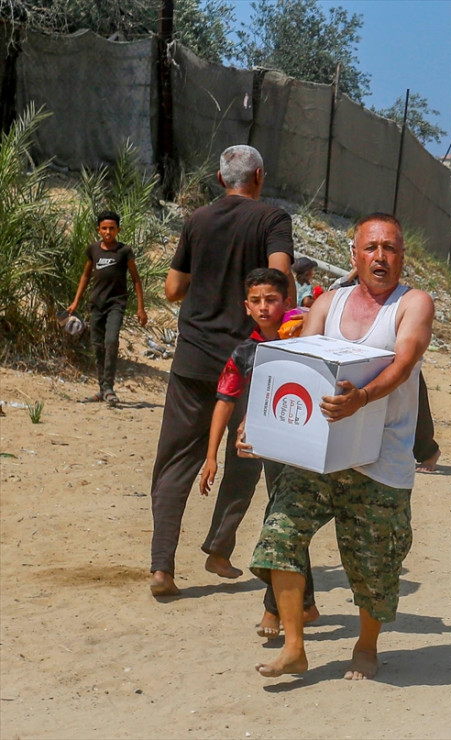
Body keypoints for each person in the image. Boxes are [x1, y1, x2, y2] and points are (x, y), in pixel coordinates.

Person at [248, 212, 434, 681]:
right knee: (280, 536)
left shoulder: (413, 304)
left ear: (401, 257)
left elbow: (405, 361)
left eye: (389, 248)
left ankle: (366, 645)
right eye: (370, 248)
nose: (379, 256)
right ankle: (294, 646)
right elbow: (297, 365)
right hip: (320, 454)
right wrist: (260, 424)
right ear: (355, 255)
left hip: (380, 459)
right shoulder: (328, 302)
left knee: (374, 561)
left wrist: (362, 399)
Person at [148, 145, 294, 597]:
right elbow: (280, 281)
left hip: (193, 357)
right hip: (248, 359)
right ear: (259, 177)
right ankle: (217, 548)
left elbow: (173, 288)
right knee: (245, 456)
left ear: (219, 178)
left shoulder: (197, 220)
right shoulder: (273, 220)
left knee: (175, 462)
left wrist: (205, 275)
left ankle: (162, 569)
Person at [197, 268, 318, 639]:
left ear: (286, 302)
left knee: (279, 523)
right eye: (256, 301)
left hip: (303, 449)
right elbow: (224, 399)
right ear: (246, 307)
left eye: (271, 300)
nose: (264, 308)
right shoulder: (244, 352)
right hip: (265, 453)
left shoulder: (304, 340)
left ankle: (273, 611)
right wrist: (211, 455)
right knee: (285, 524)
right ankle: (305, 604)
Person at [67, 209, 148, 406]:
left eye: (112, 228)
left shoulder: (124, 251)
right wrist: (76, 302)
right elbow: (86, 275)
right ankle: (103, 390)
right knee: (97, 346)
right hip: (96, 304)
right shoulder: (93, 250)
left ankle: (109, 387)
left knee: (111, 341)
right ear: (98, 230)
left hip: (116, 304)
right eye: (104, 228)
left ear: (118, 229)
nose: (108, 232)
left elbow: (136, 279)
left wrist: (141, 308)